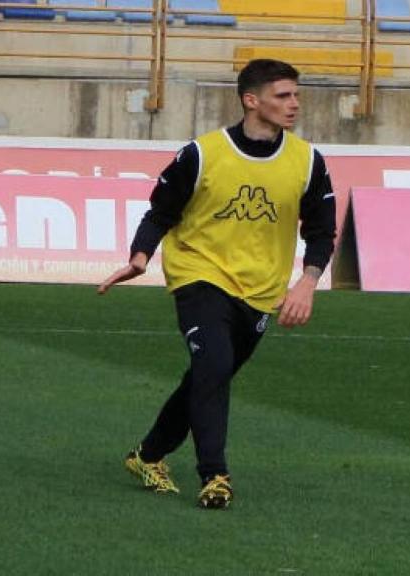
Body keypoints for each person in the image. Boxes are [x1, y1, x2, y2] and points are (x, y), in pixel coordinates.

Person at [97, 59, 336, 510]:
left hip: (261, 290)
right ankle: (215, 475)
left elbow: (322, 231)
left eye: (296, 95)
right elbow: (160, 212)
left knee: (209, 375)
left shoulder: (307, 161)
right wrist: (140, 257)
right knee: (215, 364)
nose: (294, 104)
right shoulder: (203, 153)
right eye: (283, 96)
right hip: (198, 273)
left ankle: (148, 455)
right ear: (252, 100)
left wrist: (307, 282)